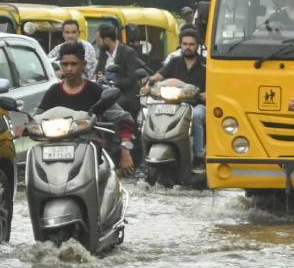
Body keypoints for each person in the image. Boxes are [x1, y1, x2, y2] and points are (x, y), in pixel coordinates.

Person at [37, 41, 135, 176]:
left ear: (83, 65)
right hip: (54, 151)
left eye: (74, 64)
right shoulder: (53, 91)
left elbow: (124, 119)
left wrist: (125, 151)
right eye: (65, 64)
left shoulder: (95, 91)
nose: (69, 69)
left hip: (90, 150)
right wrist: (25, 128)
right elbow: (37, 118)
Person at [149, 28, 207, 168]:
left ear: (197, 46)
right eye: (185, 44)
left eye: (191, 44)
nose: (188, 47)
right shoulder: (174, 62)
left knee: (198, 115)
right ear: (181, 44)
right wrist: (149, 81)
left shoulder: (206, 64)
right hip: (175, 103)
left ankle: (199, 156)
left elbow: (215, 87)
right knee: (151, 111)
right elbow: (160, 75)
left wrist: (204, 95)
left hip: (197, 103)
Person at [95, 24, 145, 119]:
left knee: (110, 106)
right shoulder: (103, 53)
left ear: (107, 40)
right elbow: (98, 72)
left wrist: (110, 81)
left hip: (123, 94)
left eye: (98, 40)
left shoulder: (128, 52)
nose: (97, 43)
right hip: (104, 92)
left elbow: (131, 79)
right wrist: (99, 77)